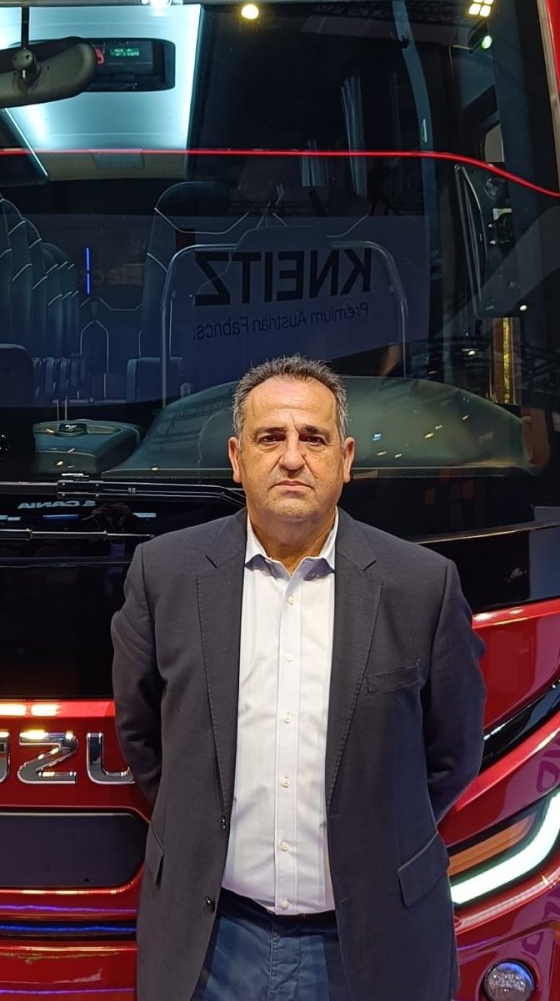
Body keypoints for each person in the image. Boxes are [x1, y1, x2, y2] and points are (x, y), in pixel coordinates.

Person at [111, 354, 485, 1001]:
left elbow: (451, 755)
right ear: (237, 458)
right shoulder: (163, 574)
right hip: (214, 944)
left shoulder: (423, 586)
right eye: (270, 437)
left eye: (312, 438)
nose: (291, 458)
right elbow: (143, 734)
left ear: (345, 459)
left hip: (371, 941)